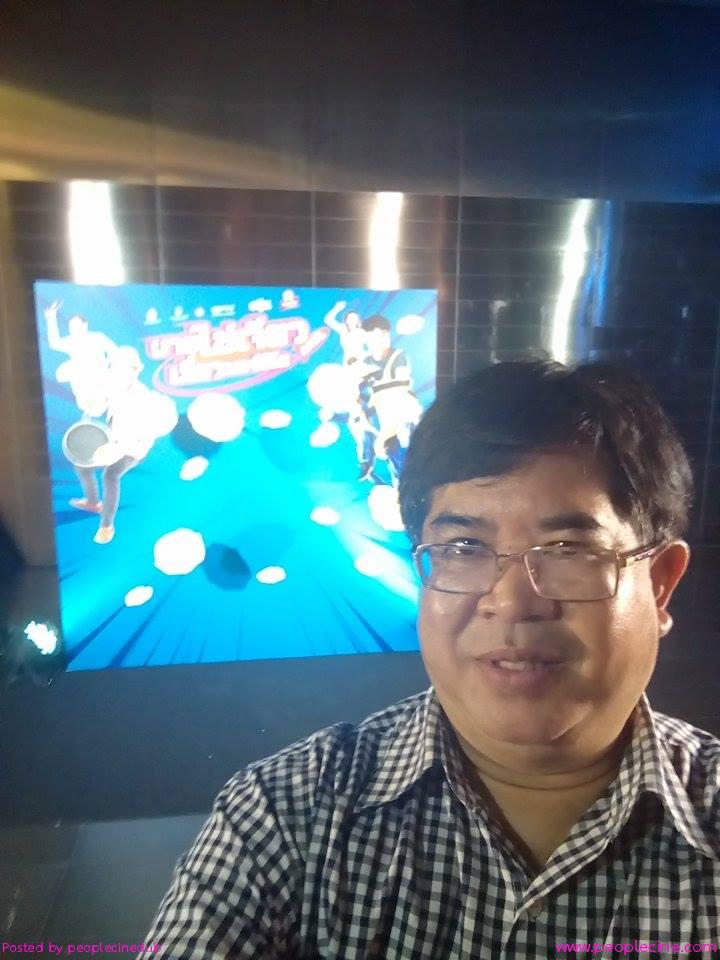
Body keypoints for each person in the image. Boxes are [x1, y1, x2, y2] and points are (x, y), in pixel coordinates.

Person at [137, 358, 719, 958]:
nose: (511, 601)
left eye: (568, 549)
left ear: (660, 584)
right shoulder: (285, 817)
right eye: (463, 547)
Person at [71, 346, 175, 544]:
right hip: (113, 441)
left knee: (110, 475)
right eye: (114, 368)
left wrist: (114, 449)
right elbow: (98, 406)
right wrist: (91, 402)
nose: (118, 373)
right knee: (82, 466)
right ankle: (93, 502)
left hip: (134, 447)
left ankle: (106, 526)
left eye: (124, 369)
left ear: (135, 370)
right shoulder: (113, 388)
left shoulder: (142, 397)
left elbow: (138, 435)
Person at [358, 313, 423, 485]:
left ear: (386, 334)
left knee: (408, 467)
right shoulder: (365, 363)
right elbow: (362, 394)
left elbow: (398, 393)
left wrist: (387, 433)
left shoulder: (398, 357)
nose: (373, 342)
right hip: (386, 423)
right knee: (397, 474)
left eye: (378, 335)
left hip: (404, 420)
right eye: (369, 337)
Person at [323, 300, 379, 479]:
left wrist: (365, 359)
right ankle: (364, 461)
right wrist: (337, 308)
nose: (352, 320)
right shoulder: (343, 331)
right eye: (349, 318)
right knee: (353, 406)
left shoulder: (363, 333)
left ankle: (367, 458)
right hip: (349, 370)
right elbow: (328, 320)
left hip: (361, 368)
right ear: (346, 320)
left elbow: (372, 347)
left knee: (362, 406)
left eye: (354, 318)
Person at [44, 299, 118, 416]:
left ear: (85, 325)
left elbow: (115, 352)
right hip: (83, 390)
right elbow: (54, 343)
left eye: (76, 325)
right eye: (71, 326)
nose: (74, 329)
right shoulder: (71, 342)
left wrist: (108, 366)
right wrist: (51, 318)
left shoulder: (97, 337)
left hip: (99, 385)